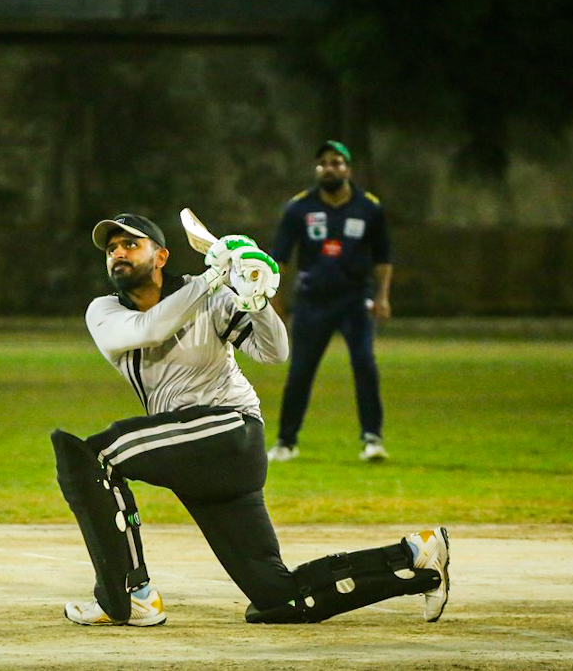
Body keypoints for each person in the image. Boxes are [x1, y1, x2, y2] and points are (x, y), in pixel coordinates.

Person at [50, 212, 450, 627]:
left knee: (93, 456)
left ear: (162, 257)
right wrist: (214, 277)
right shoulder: (104, 311)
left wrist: (255, 300)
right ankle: (416, 556)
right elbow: (149, 329)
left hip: (230, 431)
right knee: (279, 598)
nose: (117, 253)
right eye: (111, 249)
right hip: (192, 452)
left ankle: (132, 595)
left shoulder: (208, 296)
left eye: (130, 245)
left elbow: (274, 352)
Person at [268, 140, 393, 463]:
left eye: (336, 162)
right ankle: (285, 442)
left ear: (347, 169)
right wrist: (277, 304)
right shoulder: (299, 208)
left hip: (355, 300)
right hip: (313, 302)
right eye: (323, 163)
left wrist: (382, 296)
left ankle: (372, 438)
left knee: (365, 365)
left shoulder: (368, 207)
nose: (329, 168)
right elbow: (279, 259)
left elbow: (383, 258)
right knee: (300, 371)